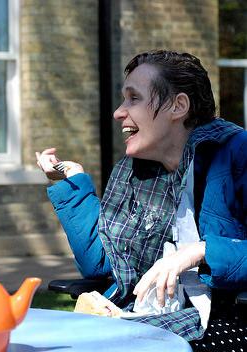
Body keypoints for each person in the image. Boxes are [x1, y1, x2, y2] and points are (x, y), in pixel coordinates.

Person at [36, 50, 246, 349]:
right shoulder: (132, 172)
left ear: (179, 105)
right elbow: (104, 265)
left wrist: (201, 251)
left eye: (133, 98)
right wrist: (73, 185)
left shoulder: (236, 154)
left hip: (229, 320)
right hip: (152, 318)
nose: (119, 112)